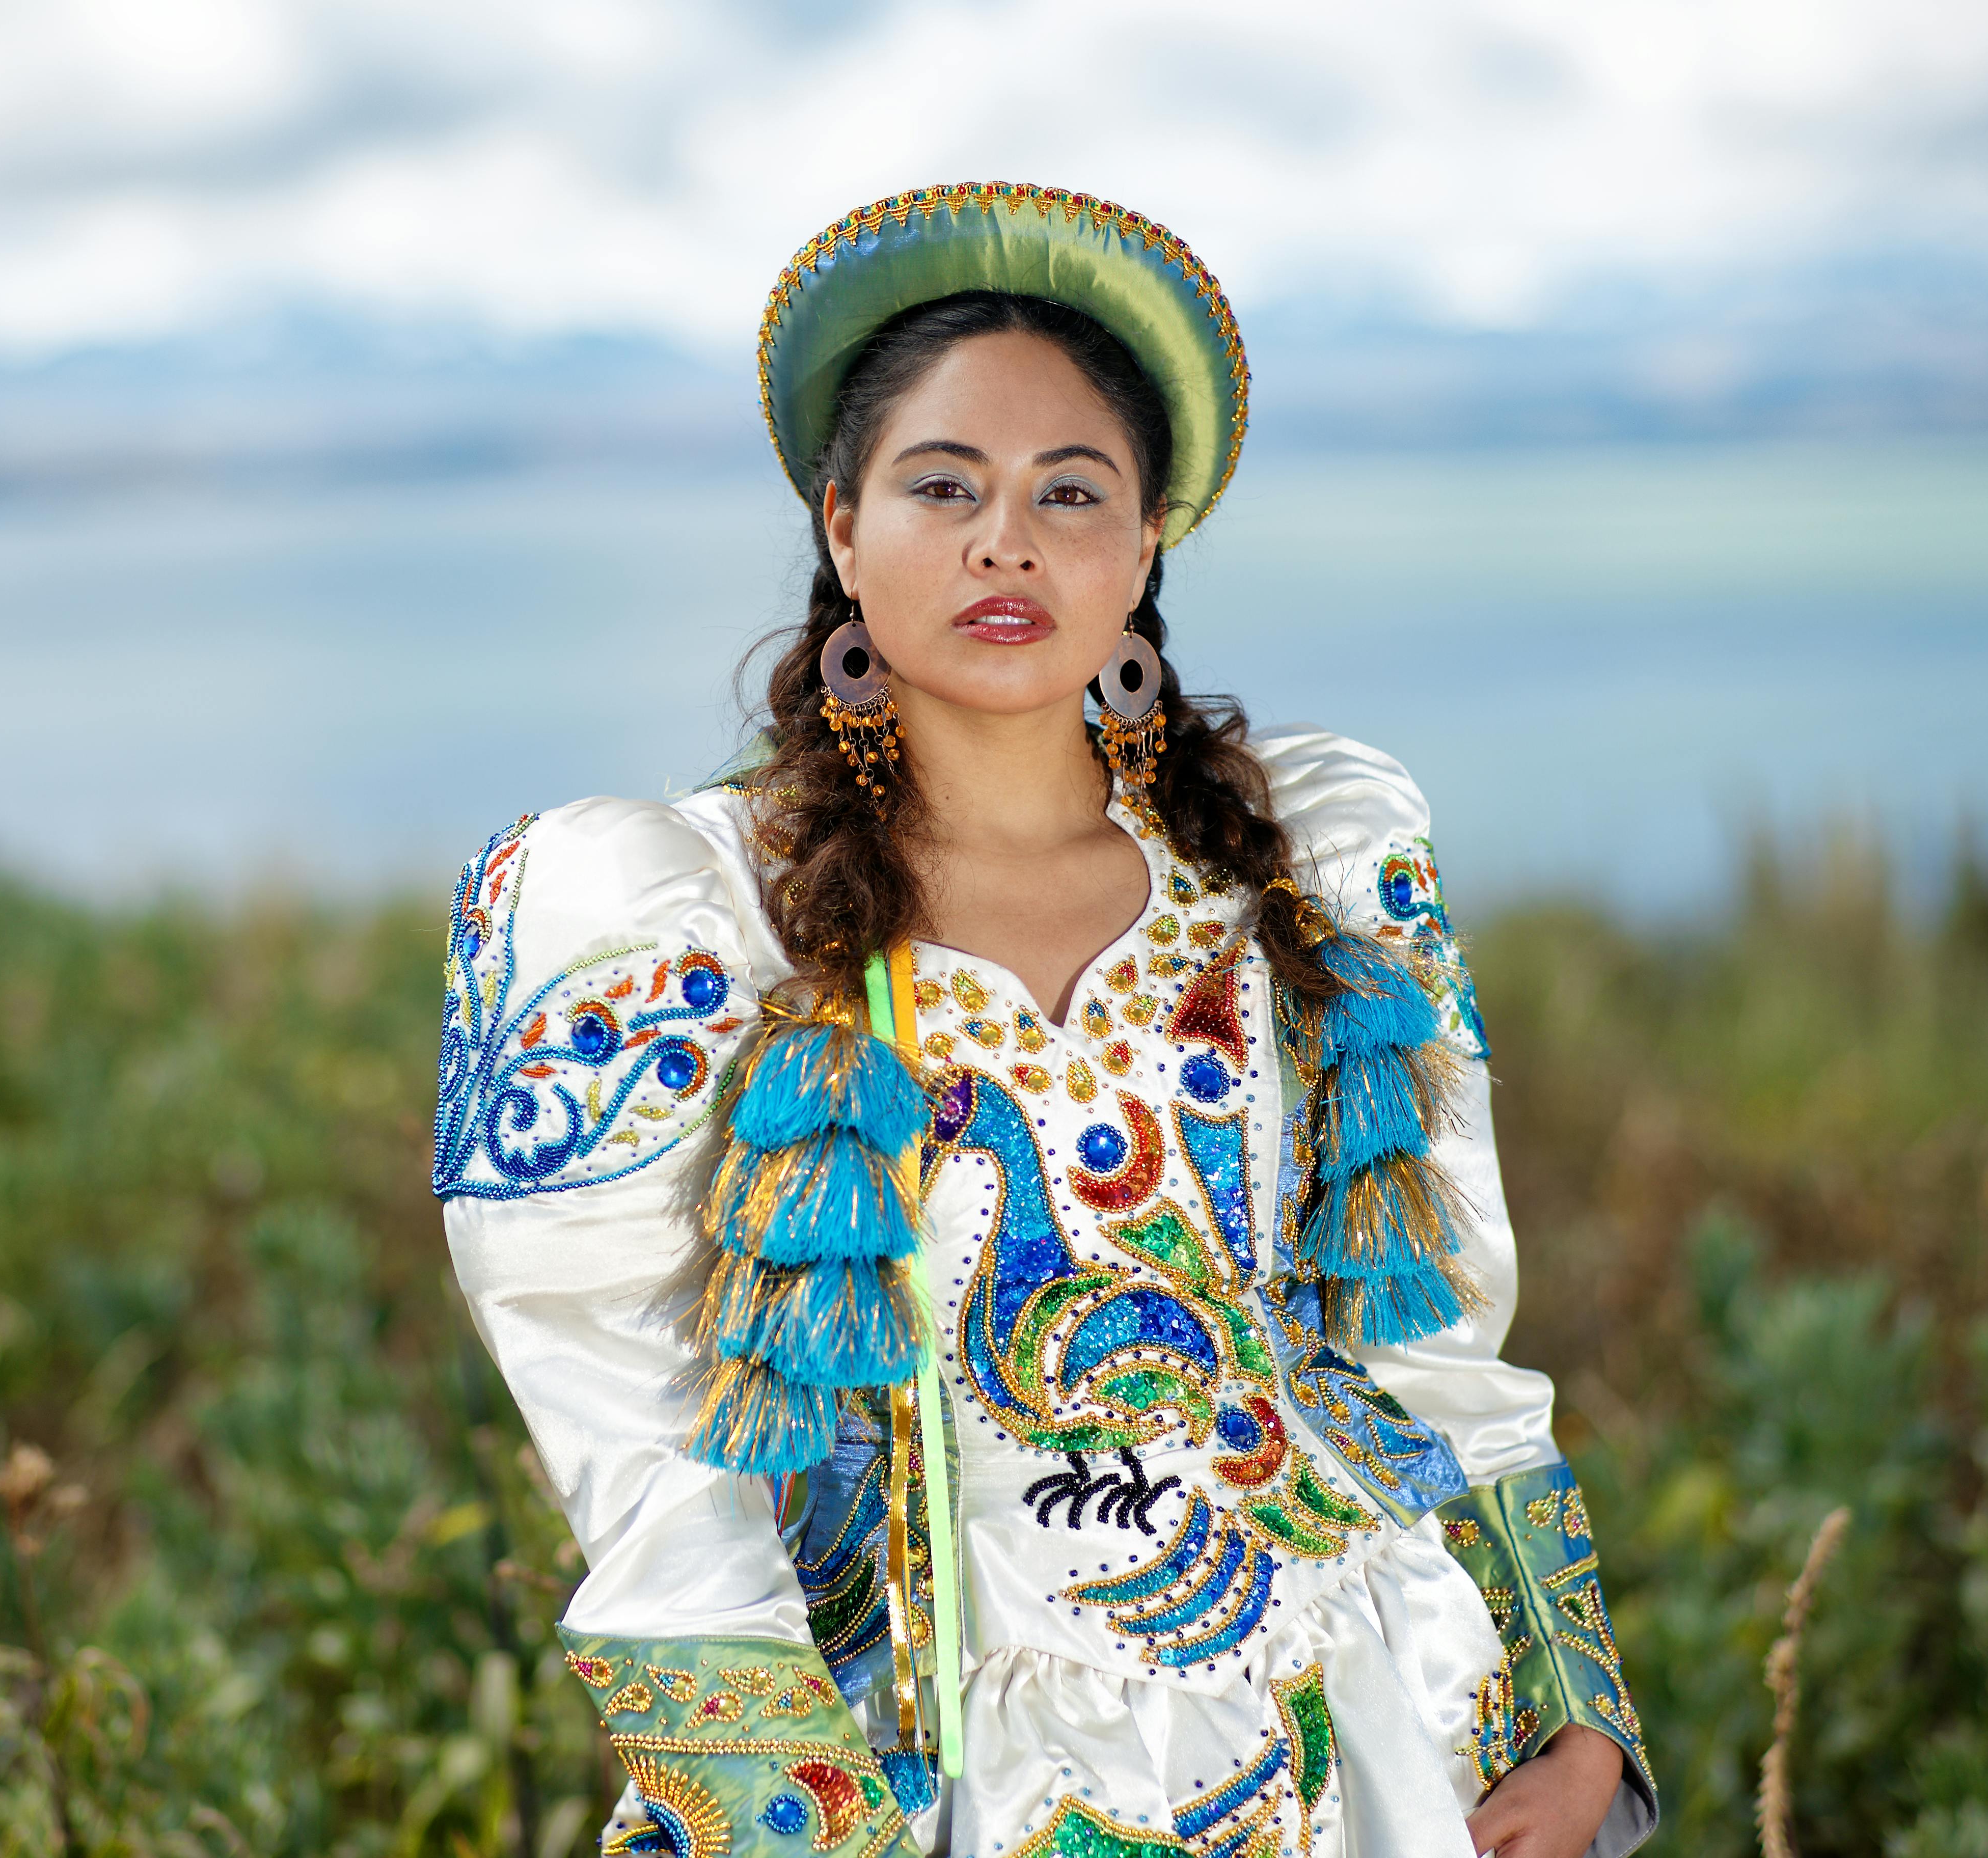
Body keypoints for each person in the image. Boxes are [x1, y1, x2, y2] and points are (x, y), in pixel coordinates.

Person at [433, 183, 1656, 1858]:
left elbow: (1436, 1335)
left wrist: (1575, 1716)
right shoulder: (680, 913)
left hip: (1385, 1726)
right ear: (842, 526)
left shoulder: (1312, 870)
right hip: (930, 1775)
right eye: (945, 485)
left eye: (1070, 491)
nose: (1007, 539)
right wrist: (798, 1822)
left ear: (1146, 543)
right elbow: (643, 1445)